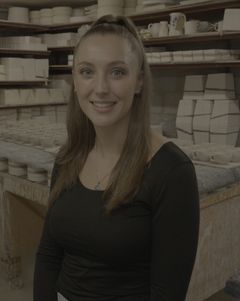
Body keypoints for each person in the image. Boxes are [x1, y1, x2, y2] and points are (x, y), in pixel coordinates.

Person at [34, 15, 199, 301]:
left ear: (138, 82)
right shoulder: (68, 159)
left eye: (117, 72)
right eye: (87, 72)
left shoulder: (171, 172)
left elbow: (167, 293)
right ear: (74, 81)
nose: (100, 88)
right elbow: (49, 255)